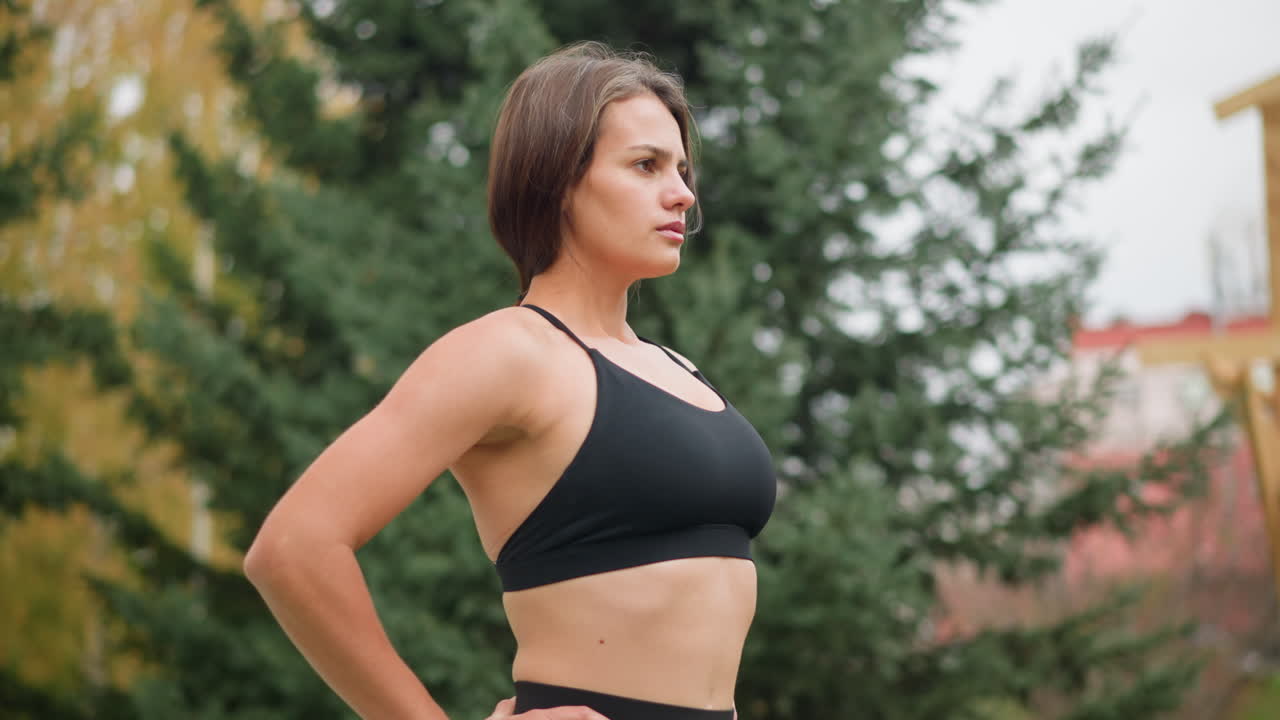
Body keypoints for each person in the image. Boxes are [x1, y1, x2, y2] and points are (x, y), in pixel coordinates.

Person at [243, 41, 777, 720]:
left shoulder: (678, 368)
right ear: (556, 181)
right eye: (645, 165)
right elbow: (293, 548)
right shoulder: (507, 353)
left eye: (680, 167)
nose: (682, 192)